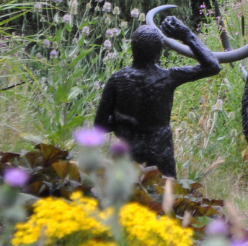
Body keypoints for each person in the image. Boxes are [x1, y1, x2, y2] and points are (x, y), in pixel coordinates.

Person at [94, 16, 220, 177]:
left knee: (127, 197)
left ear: (133, 48)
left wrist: (122, 121)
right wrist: (186, 35)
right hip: (161, 152)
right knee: (164, 197)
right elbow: (212, 66)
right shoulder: (168, 77)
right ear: (159, 51)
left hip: (129, 153)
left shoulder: (118, 80)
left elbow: (100, 126)